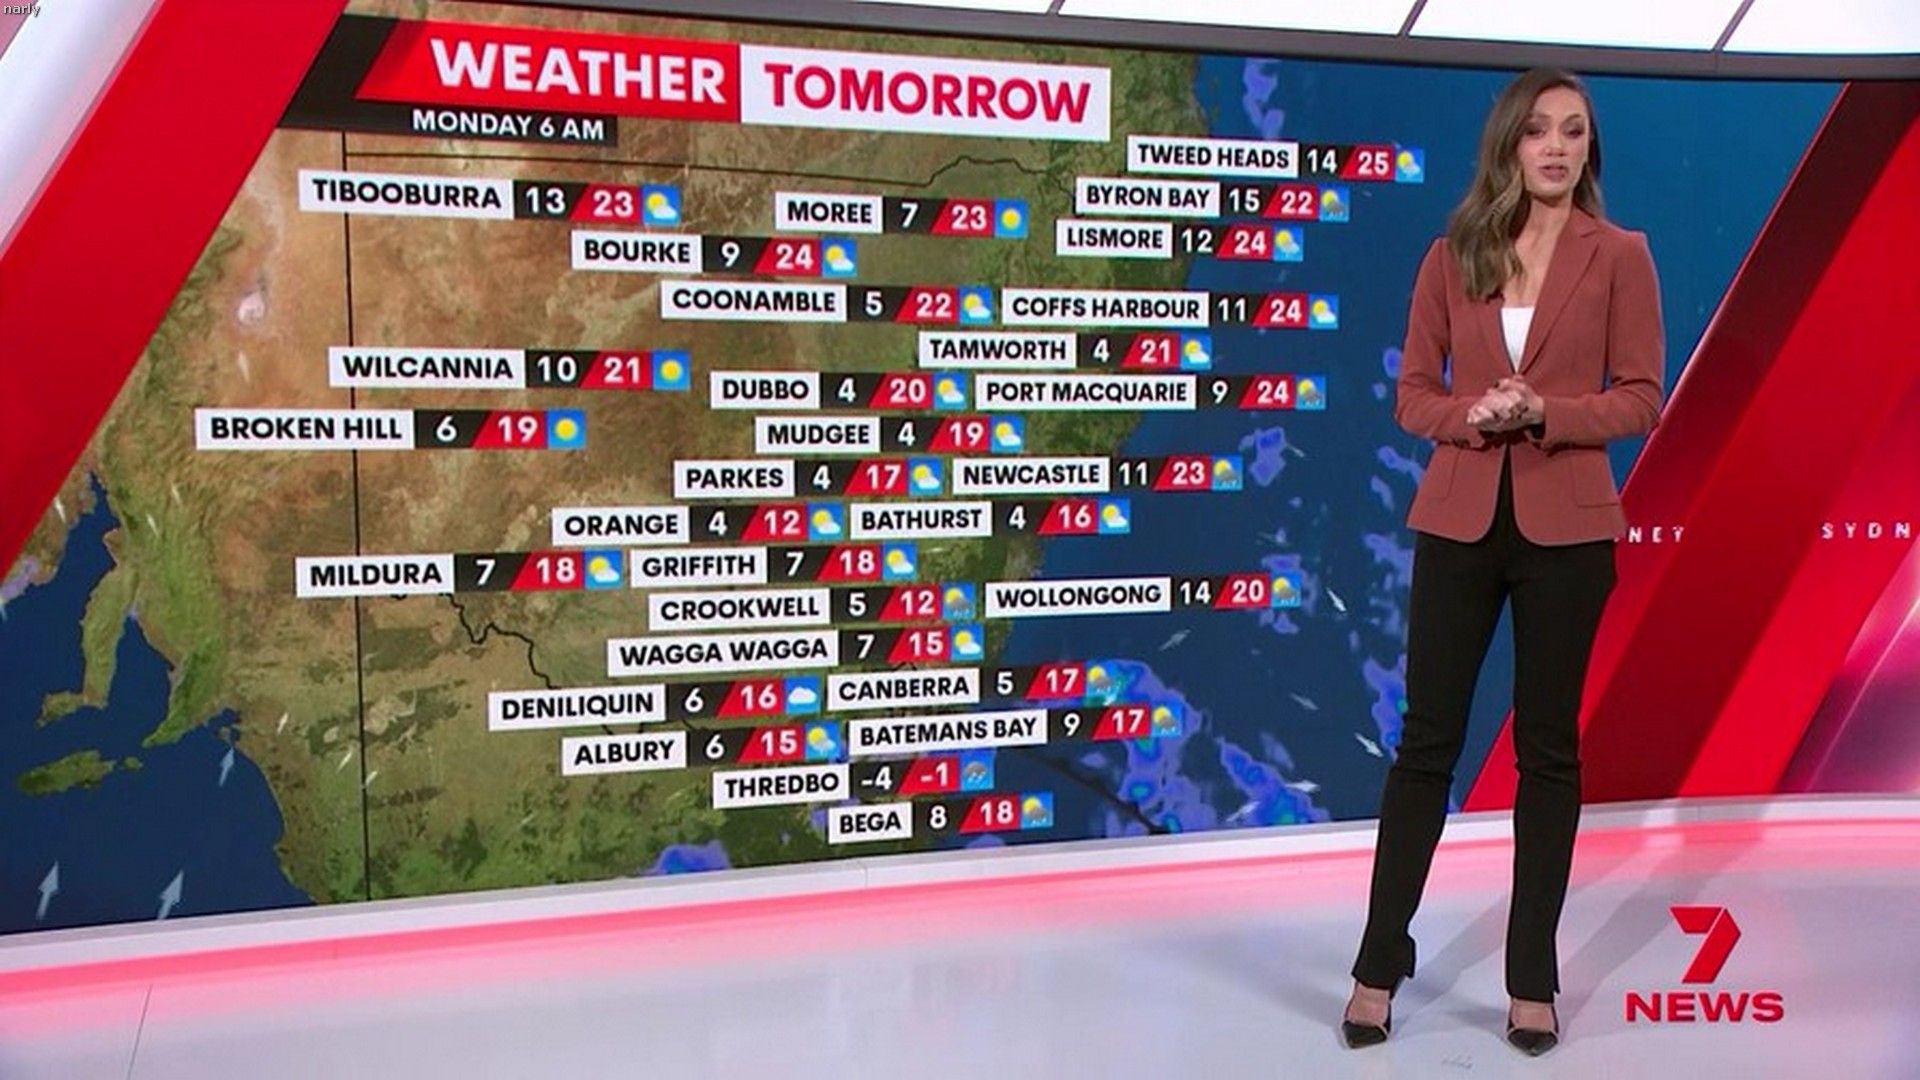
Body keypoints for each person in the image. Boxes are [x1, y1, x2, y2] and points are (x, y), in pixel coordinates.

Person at [1339, 67, 1665, 1056]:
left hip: (1568, 532)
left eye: (1574, 132)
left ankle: (1531, 979)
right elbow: (1412, 394)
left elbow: (1641, 395)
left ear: (1589, 149)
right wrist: (1475, 417)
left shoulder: (1621, 255)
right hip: (1460, 522)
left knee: (1547, 752)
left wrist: (1546, 412)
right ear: (1510, 144)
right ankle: (1377, 964)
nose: (1556, 148)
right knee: (1426, 746)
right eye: (1538, 131)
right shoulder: (1453, 255)